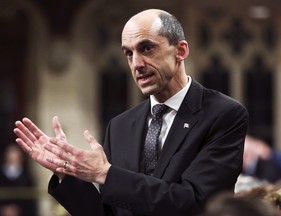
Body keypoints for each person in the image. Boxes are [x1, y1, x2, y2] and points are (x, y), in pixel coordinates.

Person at [13, 9, 248, 216]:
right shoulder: (120, 126)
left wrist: (106, 174)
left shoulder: (224, 114)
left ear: (181, 50)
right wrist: (66, 173)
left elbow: (195, 202)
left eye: (147, 48)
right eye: (128, 53)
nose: (136, 64)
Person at [0, 143, 37, 216]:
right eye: (11, 152)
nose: (13, 156)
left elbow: (30, 201)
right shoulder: (1, 175)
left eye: (15, 152)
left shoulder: (26, 176)